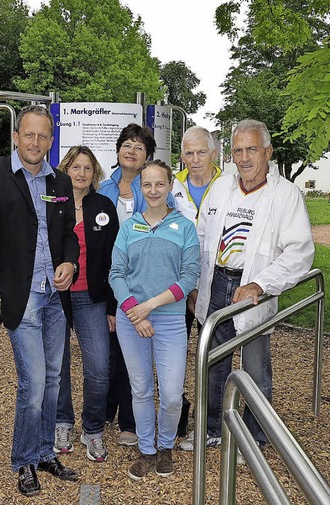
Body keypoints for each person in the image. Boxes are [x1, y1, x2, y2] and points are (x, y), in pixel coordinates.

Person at [0, 105, 80, 497]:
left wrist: (70, 261)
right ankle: (24, 460)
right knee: (33, 383)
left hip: (55, 295)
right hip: (22, 292)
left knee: (53, 380)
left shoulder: (60, 181)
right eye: (28, 135)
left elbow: (68, 233)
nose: (35, 143)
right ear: (16, 137)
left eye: (42, 136)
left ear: (51, 140)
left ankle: (44, 451)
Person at [180, 119, 314, 451]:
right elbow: (201, 238)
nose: (243, 157)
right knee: (212, 361)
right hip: (217, 282)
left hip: (252, 289)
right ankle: (211, 428)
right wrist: (196, 284)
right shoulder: (223, 186)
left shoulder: (286, 195)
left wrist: (260, 283)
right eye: (238, 150)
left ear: (267, 152)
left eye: (251, 149)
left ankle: (255, 436)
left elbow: (300, 251)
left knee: (255, 367)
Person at [109, 160, 200, 481]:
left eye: (159, 184)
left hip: (170, 320)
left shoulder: (184, 227)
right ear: (140, 187)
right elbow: (116, 273)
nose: (152, 190)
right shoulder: (129, 227)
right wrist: (135, 310)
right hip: (131, 318)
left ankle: (166, 446)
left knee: (173, 394)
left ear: (170, 185)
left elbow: (189, 276)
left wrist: (149, 306)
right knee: (141, 389)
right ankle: (147, 450)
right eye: (146, 184)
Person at [98, 123, 167, 447]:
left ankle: (129, 419)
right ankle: (104, 412)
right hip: (105, 282)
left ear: (147, 157)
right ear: (118, 150)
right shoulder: (103, 189)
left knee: (131, 355)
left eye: (139, 147)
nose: (131, 150)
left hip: (140, 285)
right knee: (106, 353)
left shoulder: (152, 190)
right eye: (127, 143)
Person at [54, 146, 118, 462]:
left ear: (95, 174)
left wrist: (112, 306)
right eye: (76, 167)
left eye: (87, 168)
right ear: (66, 169)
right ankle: (62, 422)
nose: (81, 174)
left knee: (99, 369)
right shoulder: (53, 204)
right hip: (56, 297)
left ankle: (92, 429)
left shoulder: (103, 205)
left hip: (92, 298)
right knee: (58, 366)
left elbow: (114, 260)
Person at [172, 126, 222, 437]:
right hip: (177, 283)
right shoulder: (172, 184)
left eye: (201, 152)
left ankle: (209, 422)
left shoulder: (229, 185)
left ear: (214, 153)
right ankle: (176, 414)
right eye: (188, 153)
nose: (195, 159)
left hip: (216, 282)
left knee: (213, 354)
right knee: (173, 352)